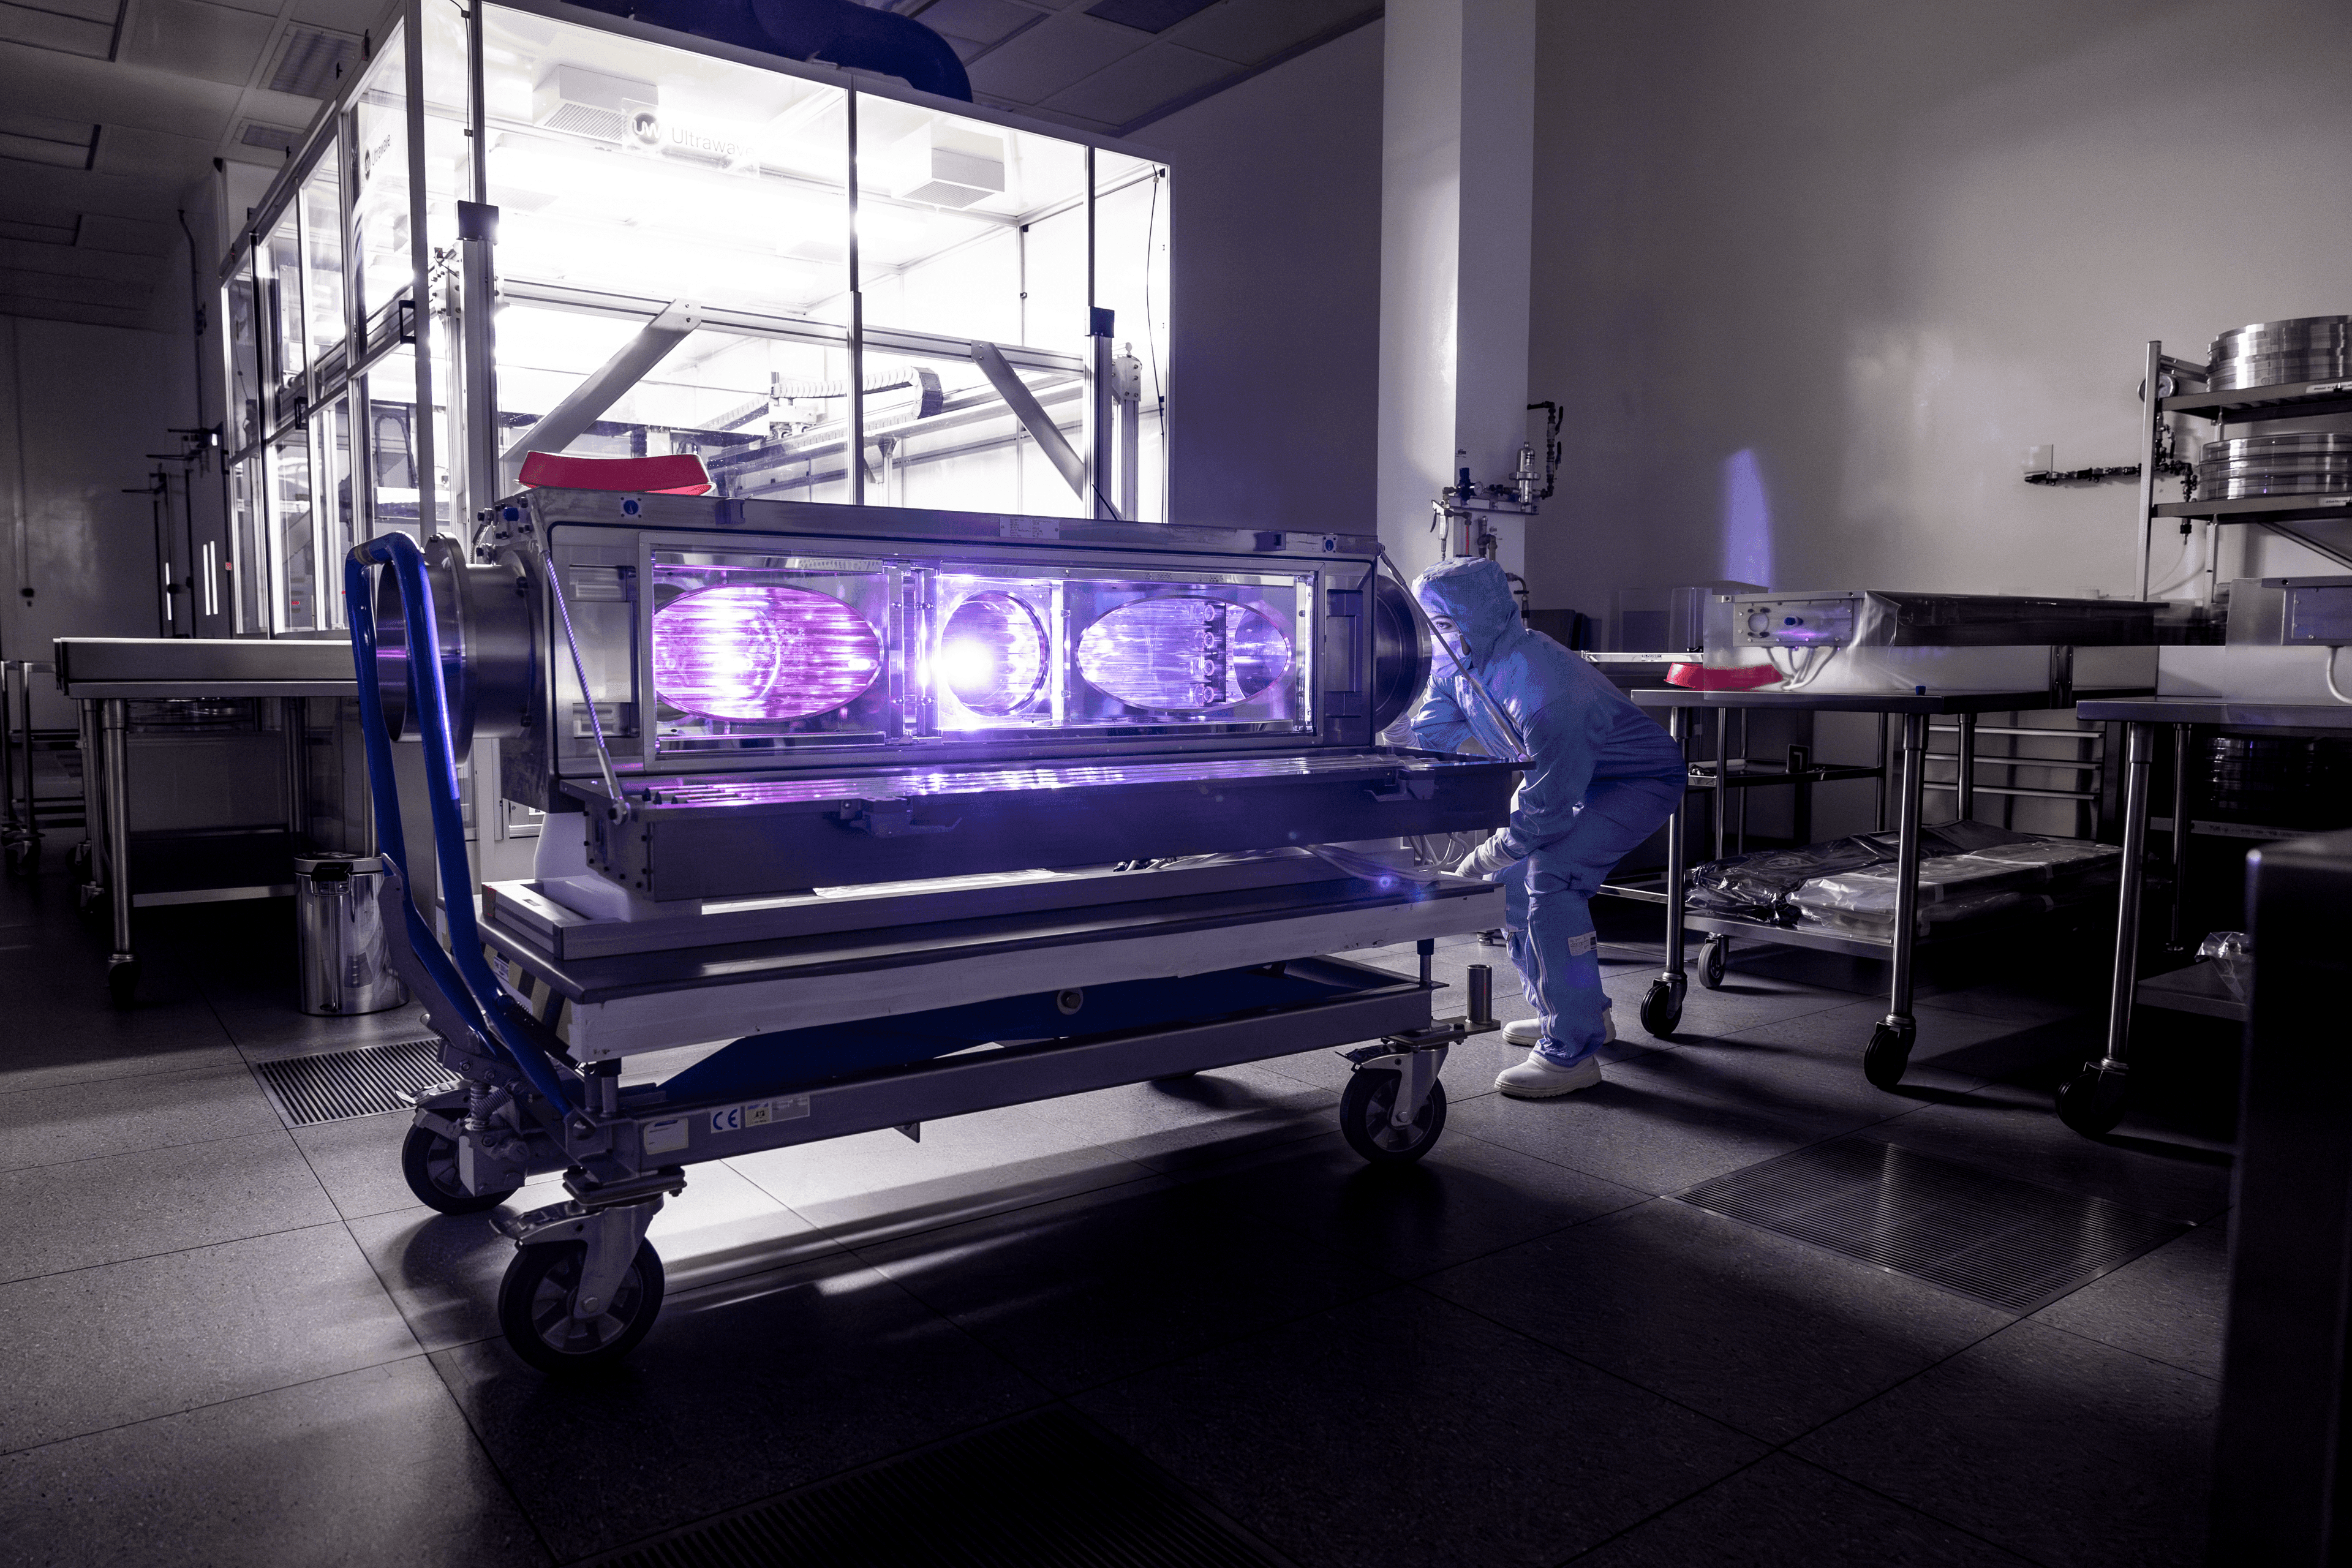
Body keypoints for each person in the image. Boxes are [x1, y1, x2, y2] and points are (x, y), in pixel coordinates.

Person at [1411, 557, 1687, 1097]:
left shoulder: (1546, 687)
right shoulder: (1462, 662)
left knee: (1551, 880)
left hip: (1638, 782)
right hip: (1568, 779)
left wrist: (1487, 855)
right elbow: (1432, 734)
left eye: (1444, 622)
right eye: (1430, 623)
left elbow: (1545, 812)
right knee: (1515, 888)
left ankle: (1572, 1054)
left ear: (1478, 615)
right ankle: (1575, 1011)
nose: (1435, 636)